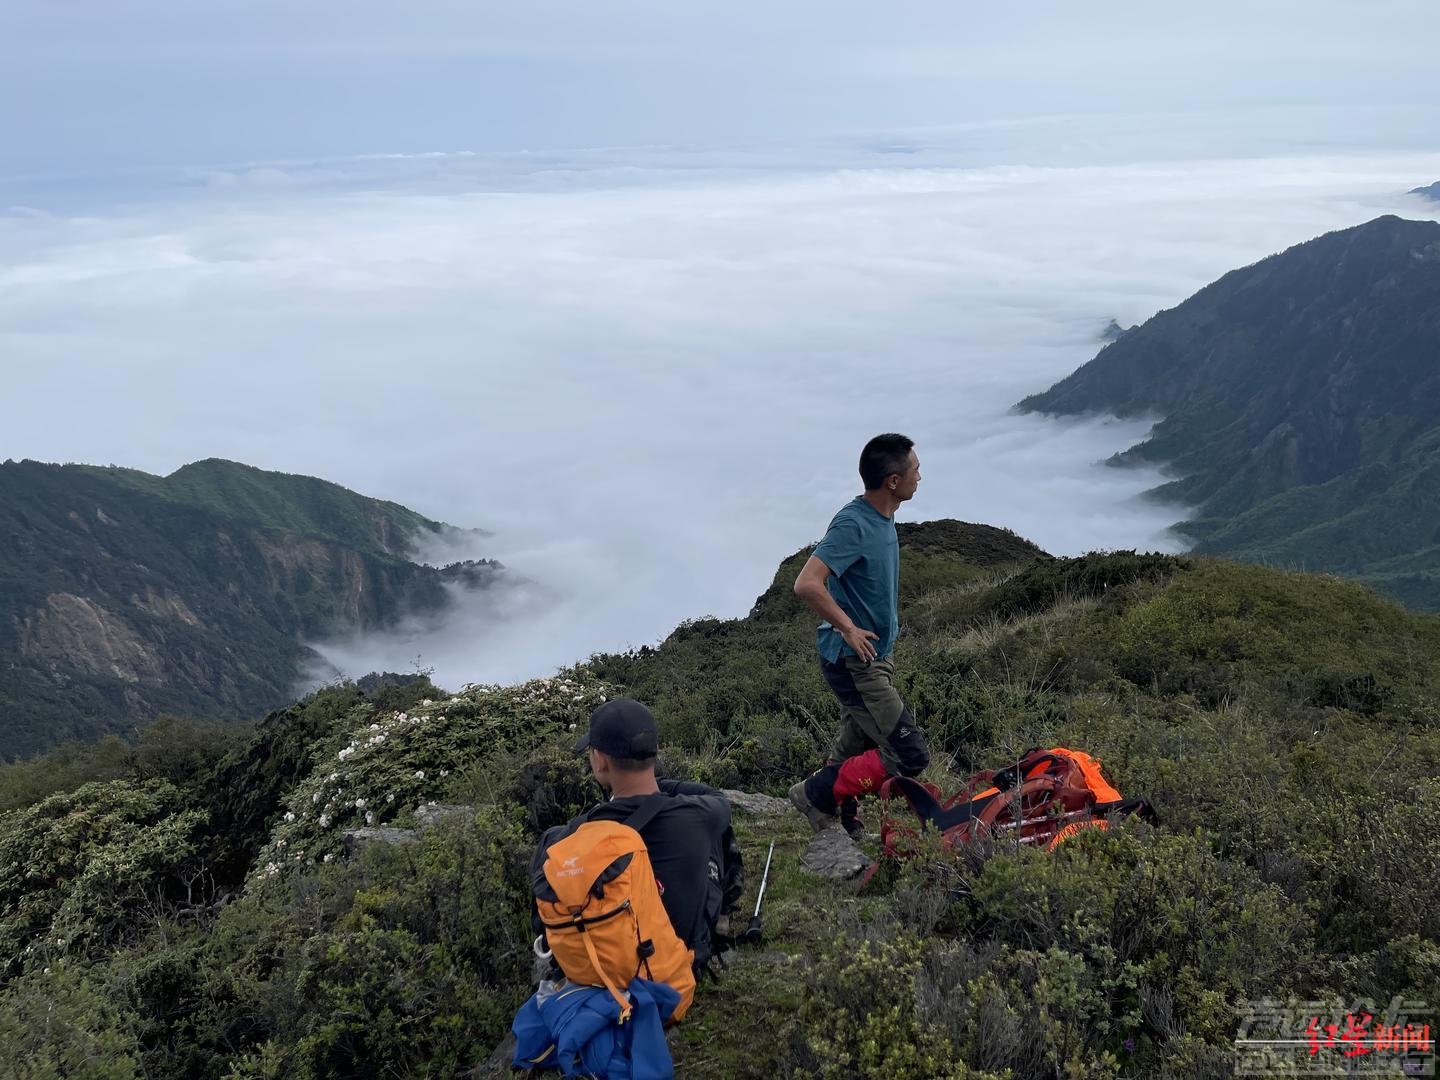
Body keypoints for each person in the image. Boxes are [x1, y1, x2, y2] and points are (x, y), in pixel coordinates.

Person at [532, 698, 743, 978]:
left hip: (604, 970)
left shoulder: (563, 838)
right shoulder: (701, 816)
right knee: (718, 835)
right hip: (679, 965)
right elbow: (717, 798)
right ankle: (717, 927)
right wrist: (656, 786)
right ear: (653, 754)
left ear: (602, 760)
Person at [789, 433, 932, 834]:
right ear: (892, 481)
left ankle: (840, 814)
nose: (920, 476)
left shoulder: (883, 516)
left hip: (875, 656)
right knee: (908, 754)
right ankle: (814, 794)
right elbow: (807, 583)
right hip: (854, 661)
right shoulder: (854, 523)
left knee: (860, 741)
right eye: (915, 469)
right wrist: (848, 628)